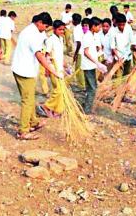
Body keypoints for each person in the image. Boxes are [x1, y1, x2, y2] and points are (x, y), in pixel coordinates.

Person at [11, 12, 62, 140]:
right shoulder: (32, 34)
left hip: (22, 69)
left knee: (30, 98)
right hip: (24, 71)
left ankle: (33, 122)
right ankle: (23, 131)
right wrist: (51, 69)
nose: (45, 30)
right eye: (45, 26)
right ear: (39, 22)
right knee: (27, 101)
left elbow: (43, 46)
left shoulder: (32, 30)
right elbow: (39, 55)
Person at [38, 20, 68, 118]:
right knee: (58, 90)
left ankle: (57, 110)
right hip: (53, 68)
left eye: (63, 30)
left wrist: (64, 64)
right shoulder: (50, 39)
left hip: (60, 68)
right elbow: (46, 55)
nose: (62, 31)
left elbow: (60, 54)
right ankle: (47, 106)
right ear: (54, 29)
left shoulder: (61, 39)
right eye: (60, 29)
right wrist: (48, 69)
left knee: (62, 90)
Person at [80, 17, 107, 114]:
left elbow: (91, 50)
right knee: (92, 88)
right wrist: (97, 63)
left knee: (91, 87)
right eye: (99, 26)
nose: (100, 28)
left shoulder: (92, 35)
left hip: (91, 65)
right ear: (93, 26)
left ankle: (87, 106)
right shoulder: (87, 36)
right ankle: (87, 110)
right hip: (88, 66)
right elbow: (86, 52)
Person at [111, 13, 135, 78]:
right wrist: (118, 57)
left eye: (123, 24)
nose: (121, 26)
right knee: (117, 76)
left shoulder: (128, 28)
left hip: (128, 56)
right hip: (118, 57)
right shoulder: (113, 31)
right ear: (116, 23)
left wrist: (127, 53)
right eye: (119, 25)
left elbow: (132, 42)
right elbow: (113, 47)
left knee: (127, 75)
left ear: (125, 23)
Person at [72, 13, 85, 89]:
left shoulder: (76, 29)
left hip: (80, 51)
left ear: (74, 20)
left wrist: (75, 54)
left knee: (78, 69)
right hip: (82, 51)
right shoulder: (81, 27)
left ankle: (81, 85)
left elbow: (79, 43)